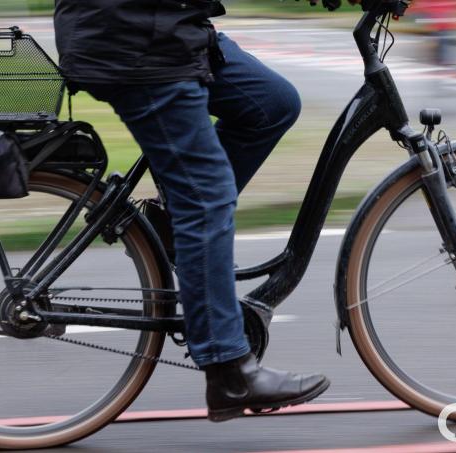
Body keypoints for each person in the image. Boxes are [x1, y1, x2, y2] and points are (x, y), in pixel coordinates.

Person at [53, 0, 331, 422]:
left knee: (271, 104)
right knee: (205, 198)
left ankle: (175, 226)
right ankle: (229, 372)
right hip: (136, 40)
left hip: (169, 27)